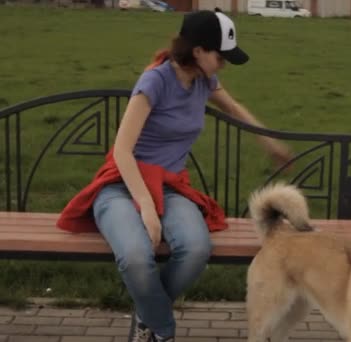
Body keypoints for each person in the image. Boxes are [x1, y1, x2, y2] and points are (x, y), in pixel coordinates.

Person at [56, 9, 291, 342]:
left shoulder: (204, 80)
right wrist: (147, 209)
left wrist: (269, 141)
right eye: (220, 56)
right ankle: (162, 331)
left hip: (169, 187)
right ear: (198, 52)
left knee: (196, 248)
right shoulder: (155, 81)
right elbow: (122, 151)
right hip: (123, 185)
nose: (224, 63)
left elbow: (233, 107)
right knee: (137, 256)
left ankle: (147, 316)